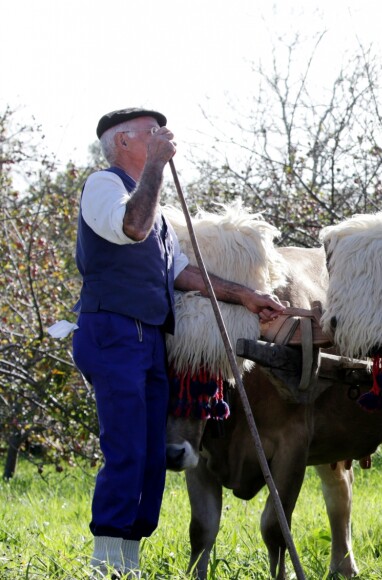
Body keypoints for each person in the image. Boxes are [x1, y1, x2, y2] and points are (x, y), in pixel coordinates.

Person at [72, 107, 284, 578]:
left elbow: (183, 274)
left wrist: (247, 296)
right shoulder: (103, 187)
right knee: (127, 445)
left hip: (148, 339)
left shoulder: (160, 215)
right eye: (152, 133)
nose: (164, 139)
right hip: (112, 331)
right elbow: (132, 228)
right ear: (123, 142)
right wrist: (154, 169)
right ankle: (106, 565)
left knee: (150, 450)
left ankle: (128, 560)